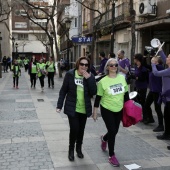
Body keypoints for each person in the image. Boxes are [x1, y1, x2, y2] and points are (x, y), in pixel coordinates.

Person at [56, 56, 97, 161]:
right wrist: (59, 105)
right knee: (74, 129)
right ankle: (71, 149)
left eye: (86, 65)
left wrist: (89, 79)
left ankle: (78, 148)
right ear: (78, 64)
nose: (84, 66)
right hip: (72, 108)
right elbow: (63, 90)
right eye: (82, 64)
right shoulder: (70, 74)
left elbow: (93, 92)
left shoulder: (90, 76)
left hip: (84, 108)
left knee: (81, 130)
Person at [92, 58, 129, 167]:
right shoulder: (103, 81)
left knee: (114, 131)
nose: (114, 67)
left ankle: (104, 138)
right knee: (112, 130)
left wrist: (130, 108)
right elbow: (98, 98)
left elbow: (126, 95)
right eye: (111, 65)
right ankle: (111, 156)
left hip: (119, 108)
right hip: (107, 109)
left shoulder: (122, 78)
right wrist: (95, 112)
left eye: (115, 65)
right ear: (107, 67)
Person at [151, 51, 170, 143]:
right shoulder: (169, 67)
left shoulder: (169, 70)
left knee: (168, 117)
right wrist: (161, 49)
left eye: (169, 58)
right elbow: (164, 58)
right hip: (168, 97)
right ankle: (167, 134)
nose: (167, 58)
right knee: (166, 116)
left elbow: (156, 73)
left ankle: (167, 135)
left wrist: (153, 64)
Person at [144, 55, 165, 132]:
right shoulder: (152, 68)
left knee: (157, 108)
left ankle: (161, 125)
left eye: (153, 60)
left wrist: (153, 64)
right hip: (152, 90)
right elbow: (147, 66)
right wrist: (144, 59)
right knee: (146, 105)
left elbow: (155, 68)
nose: (151, 61)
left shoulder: (160, 67)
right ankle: (151, 118)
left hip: (157, 91)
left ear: (157, 61)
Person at [131, 54, 148, 121]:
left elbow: (143, 78)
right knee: (136, 101)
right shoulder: (136, 67)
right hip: (137, 85)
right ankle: (137, 115)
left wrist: (135, 77)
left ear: (138, 60)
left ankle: (145, 117)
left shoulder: (143, 68)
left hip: (142, 86)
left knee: (142, 102)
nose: (134, 60)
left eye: (135, 58)